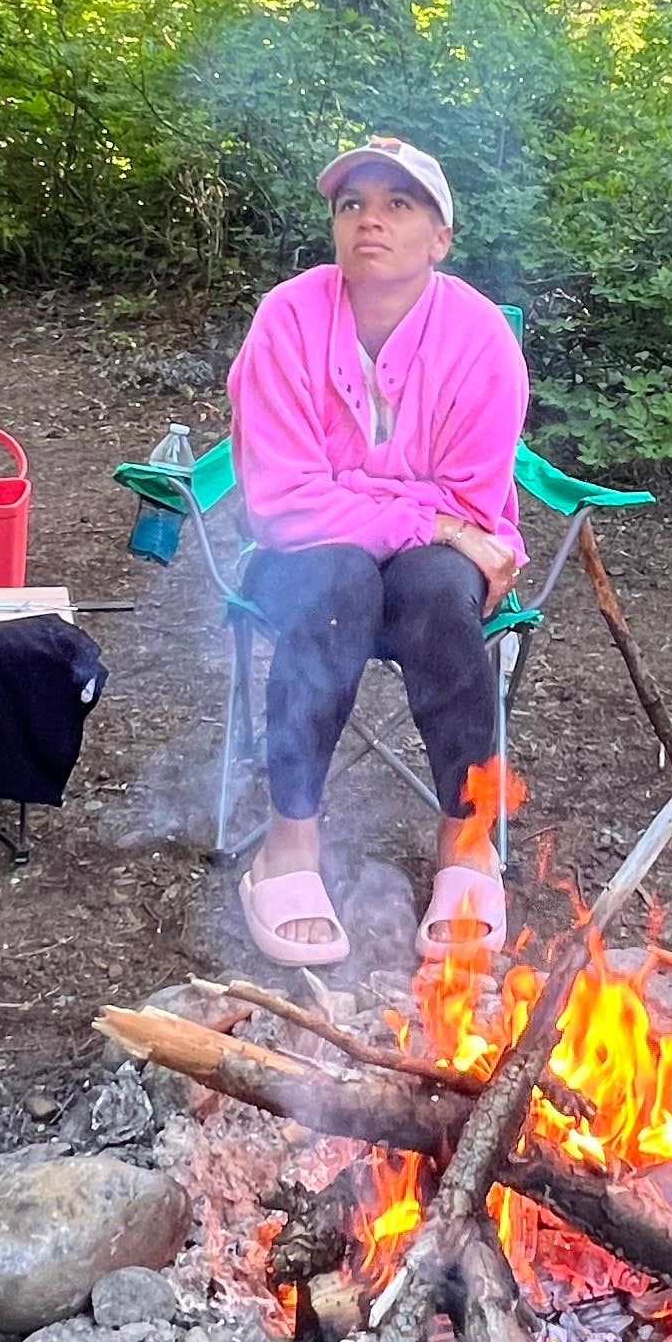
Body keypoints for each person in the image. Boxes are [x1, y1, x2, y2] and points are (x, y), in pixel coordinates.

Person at [224, 133, 528, 969]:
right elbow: (283, 504)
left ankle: (468, 845)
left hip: (442, 569)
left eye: (399, 204)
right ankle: (289, 843)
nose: (370, 221)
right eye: (352, 204)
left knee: (435, 590)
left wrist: (391, 511)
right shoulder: (288, 318)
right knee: (335, 575)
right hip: (312, 562)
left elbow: (473, 506)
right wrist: (420, 517)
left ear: (440, 237)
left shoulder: (481, 341)